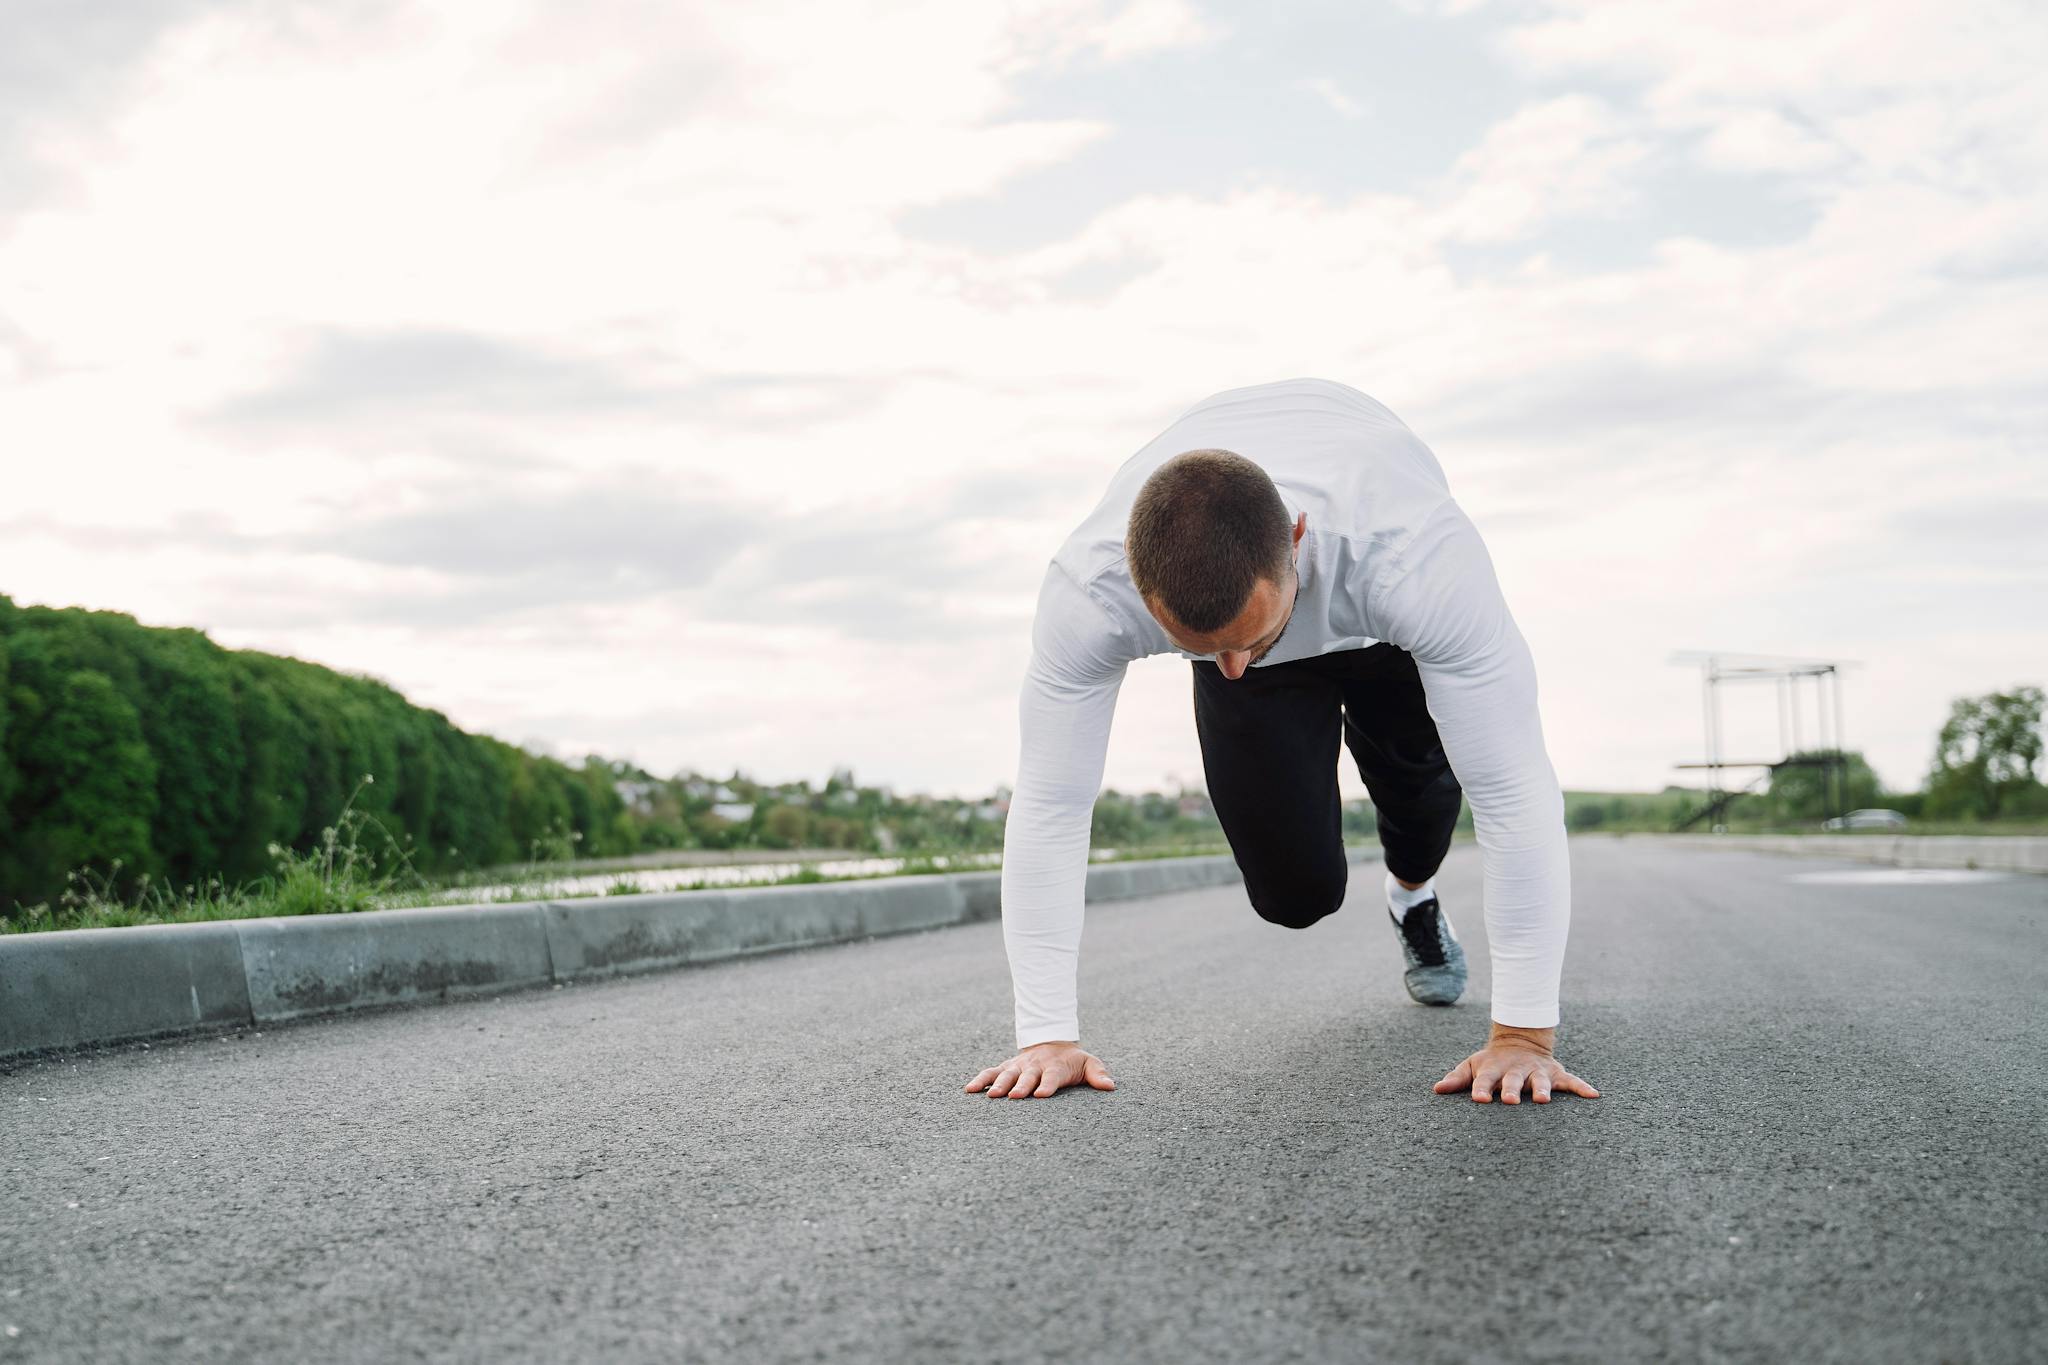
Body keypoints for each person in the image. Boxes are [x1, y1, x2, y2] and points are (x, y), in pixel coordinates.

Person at [964, 377, 1599, 1106]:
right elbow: (1049, 802)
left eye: (1249, 639)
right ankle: (1232, 643)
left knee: (1422, 798)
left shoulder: (1416, 558)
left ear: (1298, 540)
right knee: (1294, 894)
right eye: (1200, 648)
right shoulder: (1089, 588)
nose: (1231, 667)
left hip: (1383, 632)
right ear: (1137, 589)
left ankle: (1413, 894)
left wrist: (1523, 1037)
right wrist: (1045, 1033)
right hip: (1256, 608)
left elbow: (1514, 786)